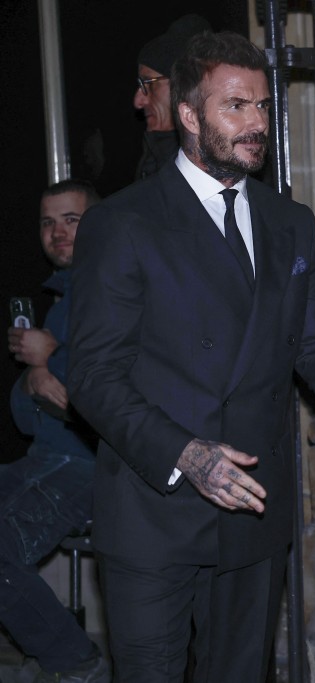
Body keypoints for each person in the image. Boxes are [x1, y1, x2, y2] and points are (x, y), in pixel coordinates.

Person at [67, 31, 315, 682]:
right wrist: (186, 454)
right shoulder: (124, 222)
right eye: (235, 107)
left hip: (252, 513)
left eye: (261, 106)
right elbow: (92, 375)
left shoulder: (291, 222)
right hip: (152, 514)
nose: (256, 124)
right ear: (189, 117)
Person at [2, 180, 107, 683]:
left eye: (72, 219)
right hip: (45, 460)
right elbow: (28, 418)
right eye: (48, 222)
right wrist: (33, 374)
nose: (58, 232)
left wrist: (51, 361)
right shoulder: (61, 298)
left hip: (93, 468)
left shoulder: (110, 291)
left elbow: (105, 404)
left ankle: (76, 663)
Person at [133, 14, 210, 179]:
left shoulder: (218, 161)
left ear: (183, 85)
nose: (138, 102)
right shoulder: (155, 155)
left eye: (149, 83)